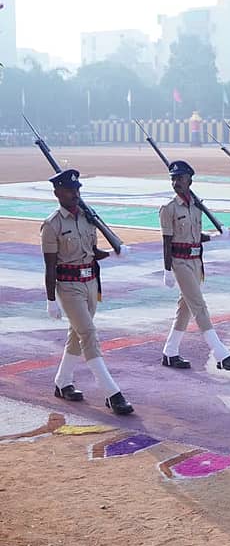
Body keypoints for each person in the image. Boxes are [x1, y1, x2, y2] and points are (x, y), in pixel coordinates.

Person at [42, 169, 134, 415]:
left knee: (78, 334)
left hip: (91, 283)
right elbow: (50, 266)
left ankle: (62, 382)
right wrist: (51, 299)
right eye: (70, 190)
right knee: (89, 334)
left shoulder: (87, 217)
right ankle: (111, 392)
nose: (75, 194)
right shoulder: (52, 225)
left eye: (77, 189)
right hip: (68, 286)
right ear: (57, 193)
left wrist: (115, 252)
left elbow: (92, 252)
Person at [159, 160, 230, 372]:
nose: (176, 182)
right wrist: (167, 269)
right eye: (173, 179)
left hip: (197, 261)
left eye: (180, 178)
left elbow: (195, 236)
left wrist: (214, 237)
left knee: (186, 307)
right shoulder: (168, 209)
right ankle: (220, 353)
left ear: (190, 180)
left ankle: (170, 351)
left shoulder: (196, 206)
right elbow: (167, 241)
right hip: (179, 263)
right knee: (199, 305)